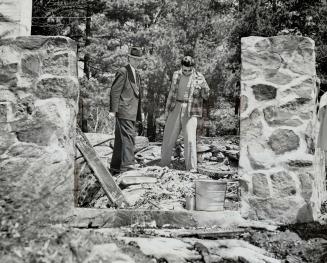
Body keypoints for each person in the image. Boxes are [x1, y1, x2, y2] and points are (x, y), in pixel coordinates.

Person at [160, 56, 210, 172]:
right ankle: (163, 165)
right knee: (168, 137)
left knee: (190, 140)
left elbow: (206, 96)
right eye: (184, 70)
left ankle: (191, 169)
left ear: (193, 68)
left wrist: (203, 87)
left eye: (189, 70)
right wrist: (166, 112)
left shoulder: (199, 77)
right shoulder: (176, 75)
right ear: (181, 67)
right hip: (175, 106)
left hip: (191, 110)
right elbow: (171, 94)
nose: (186, 72)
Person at [109, 47, 143, 175]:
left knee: (120, 139)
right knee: (129, 137)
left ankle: (116, 166)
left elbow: (137, 95)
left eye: (138, 59)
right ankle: (128, 165)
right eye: (134, 59)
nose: (136, 61)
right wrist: (113, 110)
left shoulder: (137, 74)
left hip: (132, 111)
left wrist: (140, 113)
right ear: (129, 58)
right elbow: (115, 90)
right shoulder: (123, 71)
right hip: (124, 110)